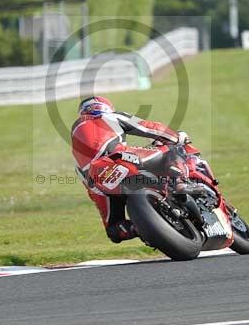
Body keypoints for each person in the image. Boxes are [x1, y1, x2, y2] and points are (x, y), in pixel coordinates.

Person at [71, 96, 189, 243]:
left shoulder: (74, 146)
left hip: (98, 180)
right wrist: (176, 137)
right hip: (120, 158)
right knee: (171, 150)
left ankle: (137, 229)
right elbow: (149, 127)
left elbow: (87, 183)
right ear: (105, 107)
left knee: (113, 229)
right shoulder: (110, 116)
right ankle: (180, 182)